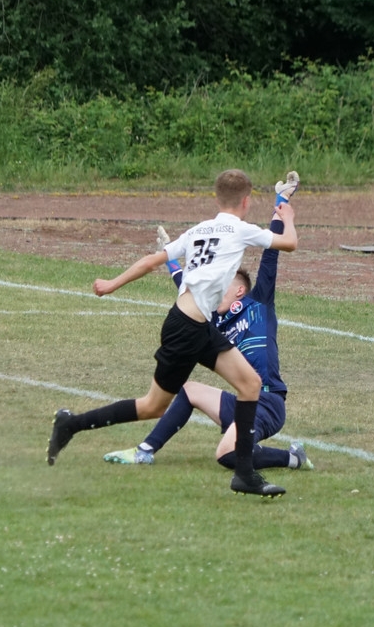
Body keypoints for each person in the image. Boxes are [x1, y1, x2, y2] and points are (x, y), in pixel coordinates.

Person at [46, 169, 297, 498]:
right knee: (152, 406)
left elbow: (152, 261)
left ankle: (245, 474)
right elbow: (289, 243)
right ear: (247, 202)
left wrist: (111, 284)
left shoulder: (198, 230)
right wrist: (288, 216)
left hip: (193, 325)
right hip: (187, 330)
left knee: (249, 384)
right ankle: (71, 424)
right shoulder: (241, 229)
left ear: (217, 198)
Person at [103, 172, 313, 472]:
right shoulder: (212, 319)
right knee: (189, 390)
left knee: (226, 454)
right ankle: (144, 450)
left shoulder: (259, 303)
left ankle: (293, 458)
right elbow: (186, 283)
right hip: (242, 401)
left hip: (268, 402)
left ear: (239, 290)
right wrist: (170, 257)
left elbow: (271, 254)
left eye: (225, 283)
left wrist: (282, 199)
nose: (217, 286)